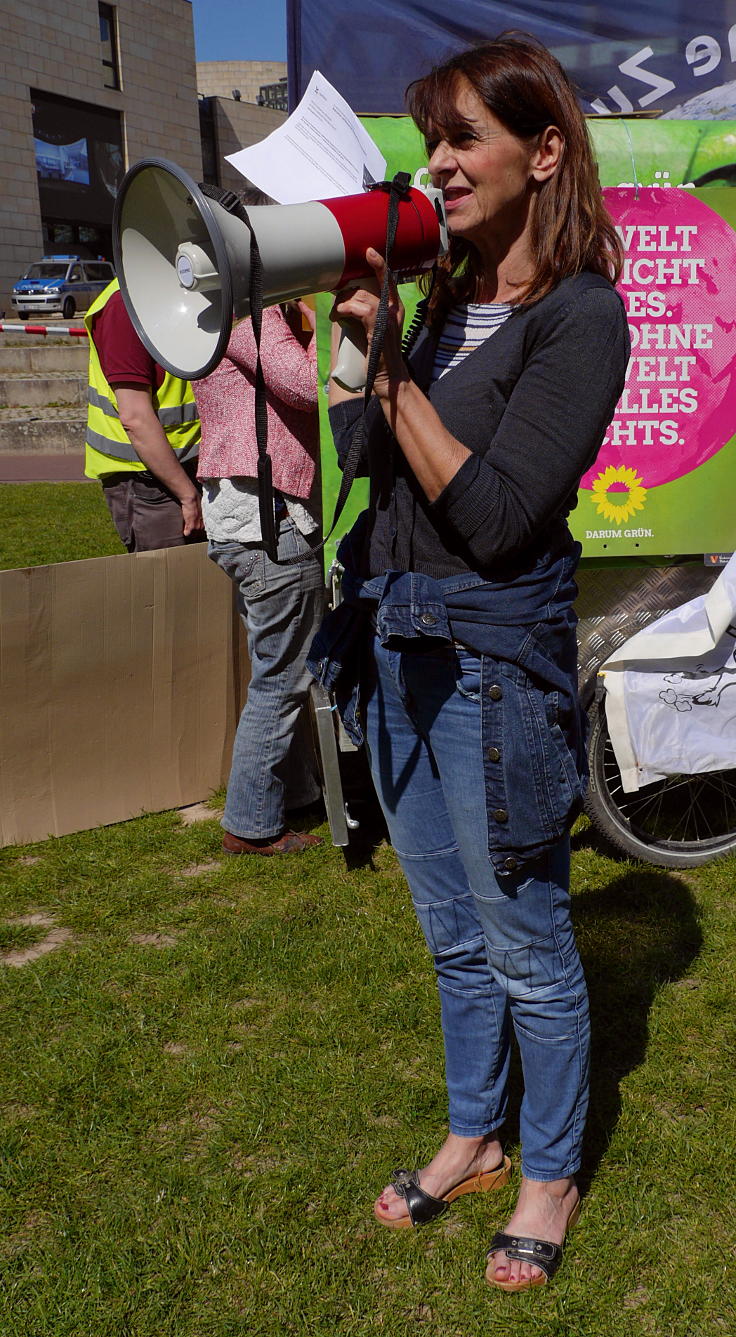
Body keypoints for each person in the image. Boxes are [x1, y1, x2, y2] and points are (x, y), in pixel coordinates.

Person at [310, 34, 630, 1291]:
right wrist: (354, 348)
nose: (434, 165)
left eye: (460, 139)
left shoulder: (580, 319)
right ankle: (472, 1133)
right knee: (450, 930)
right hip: (395, 641)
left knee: (527, 938)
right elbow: (361, 456)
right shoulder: (440, 299)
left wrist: (392, 380)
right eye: (427, 141)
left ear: (541, 153)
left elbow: (495, 520)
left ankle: (547, 1170)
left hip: (492, 663)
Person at [193, 186, 325, 856]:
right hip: (269, 512)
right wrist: (313, 317)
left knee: (283, 662)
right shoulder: (249, 308)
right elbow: (304, 386)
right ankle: (250, 822)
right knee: (282, 672)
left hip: (239, 507)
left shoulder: (204, 305)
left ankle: (293, 793)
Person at [85, 279, 204, 552]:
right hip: (151, 483)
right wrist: (187, 495)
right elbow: (135, 418)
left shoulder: (163, 296)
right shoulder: (124, 307)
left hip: (178, 475)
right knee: (168, 587)